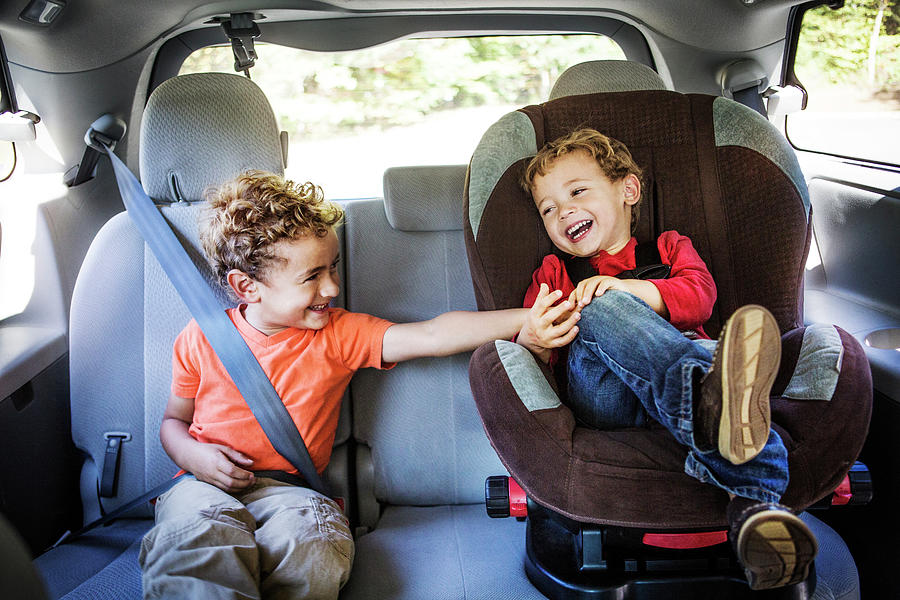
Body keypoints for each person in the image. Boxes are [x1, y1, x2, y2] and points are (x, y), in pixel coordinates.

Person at [138, 171, 526, 600]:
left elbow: (432, 336)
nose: (333, 287)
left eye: (334, 267)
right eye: (312, 277)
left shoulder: (337, 334)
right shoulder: (200, 338)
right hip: (201, 486)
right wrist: (193, 455)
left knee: (313, 546)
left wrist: (526, 319)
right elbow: (174, 421)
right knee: (194, 544)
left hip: (290, 492)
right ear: (247, 287)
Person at [515, 128, 817, 591]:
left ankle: (757, 510)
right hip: (607, 400)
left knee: (716, 354)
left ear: (628, 190)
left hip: (692, 369)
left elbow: (701, 297)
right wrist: (534, 338)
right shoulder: (556, 273)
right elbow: (533, 358)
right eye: (548, 209)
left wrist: (638, 289)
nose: (564, 212)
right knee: (600, 305)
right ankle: (708, 403)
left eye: (577, 192)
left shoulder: (669, 248)